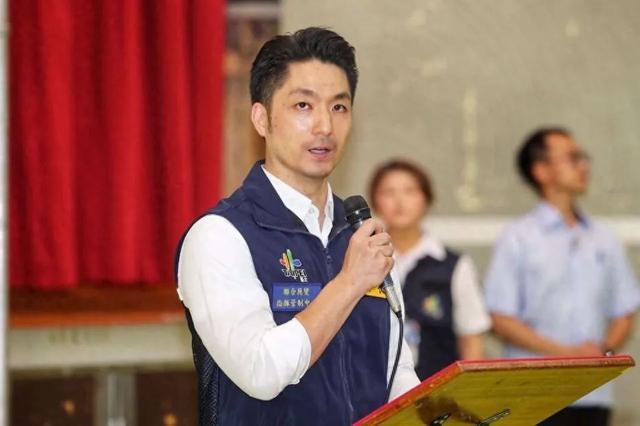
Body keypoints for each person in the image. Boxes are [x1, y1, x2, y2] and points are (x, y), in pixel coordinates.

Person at [175, 28, 419, 425]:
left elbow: (397, 371)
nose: (325, 125)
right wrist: (349, 282)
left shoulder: (359, 235)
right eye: (303, 105)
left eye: (339, 107)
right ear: (262, 118)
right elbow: (261, 372)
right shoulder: (220, 236)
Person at [484, 127, 640, 426]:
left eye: (583, 157)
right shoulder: (518, 237)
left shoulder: (604, 237)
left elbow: (625, 309)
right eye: (572, 158)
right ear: (541, 170)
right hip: (533, 392)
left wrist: (602, 352)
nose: (584, 166)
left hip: (594, 394)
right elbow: (500, 318)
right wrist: (567, 355)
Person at [369, 159, 491, 380]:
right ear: (375, 201)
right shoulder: (364, 261)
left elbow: (471, 339)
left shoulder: (453, 265)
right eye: (388, 192)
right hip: (377, 389)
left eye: (409, 191)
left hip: (438, 389)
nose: (399, 201)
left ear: (426, 199)